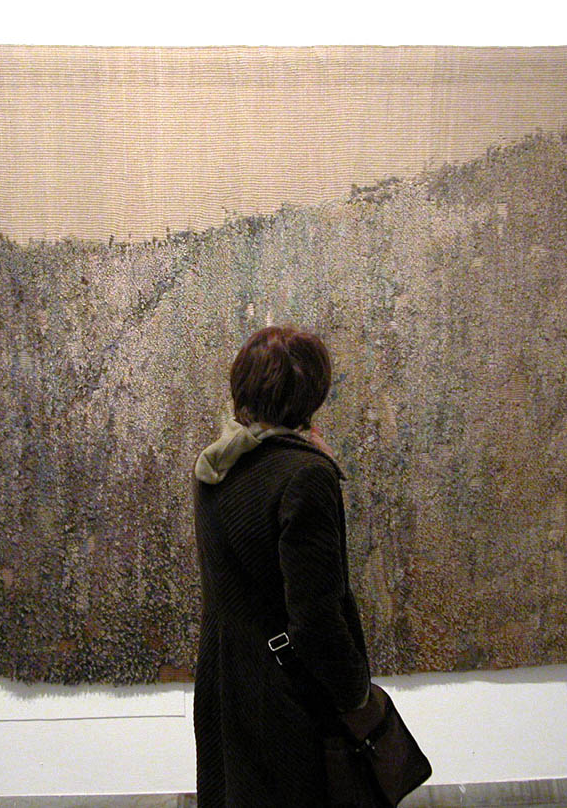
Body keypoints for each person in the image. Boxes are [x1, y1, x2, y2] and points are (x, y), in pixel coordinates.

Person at [192, 325, 378, 807]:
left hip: (223, 689)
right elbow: (315, 620)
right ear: (312, 392)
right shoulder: (306, 475)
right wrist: (357, 696)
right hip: (283, 704)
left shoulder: (214, 467)